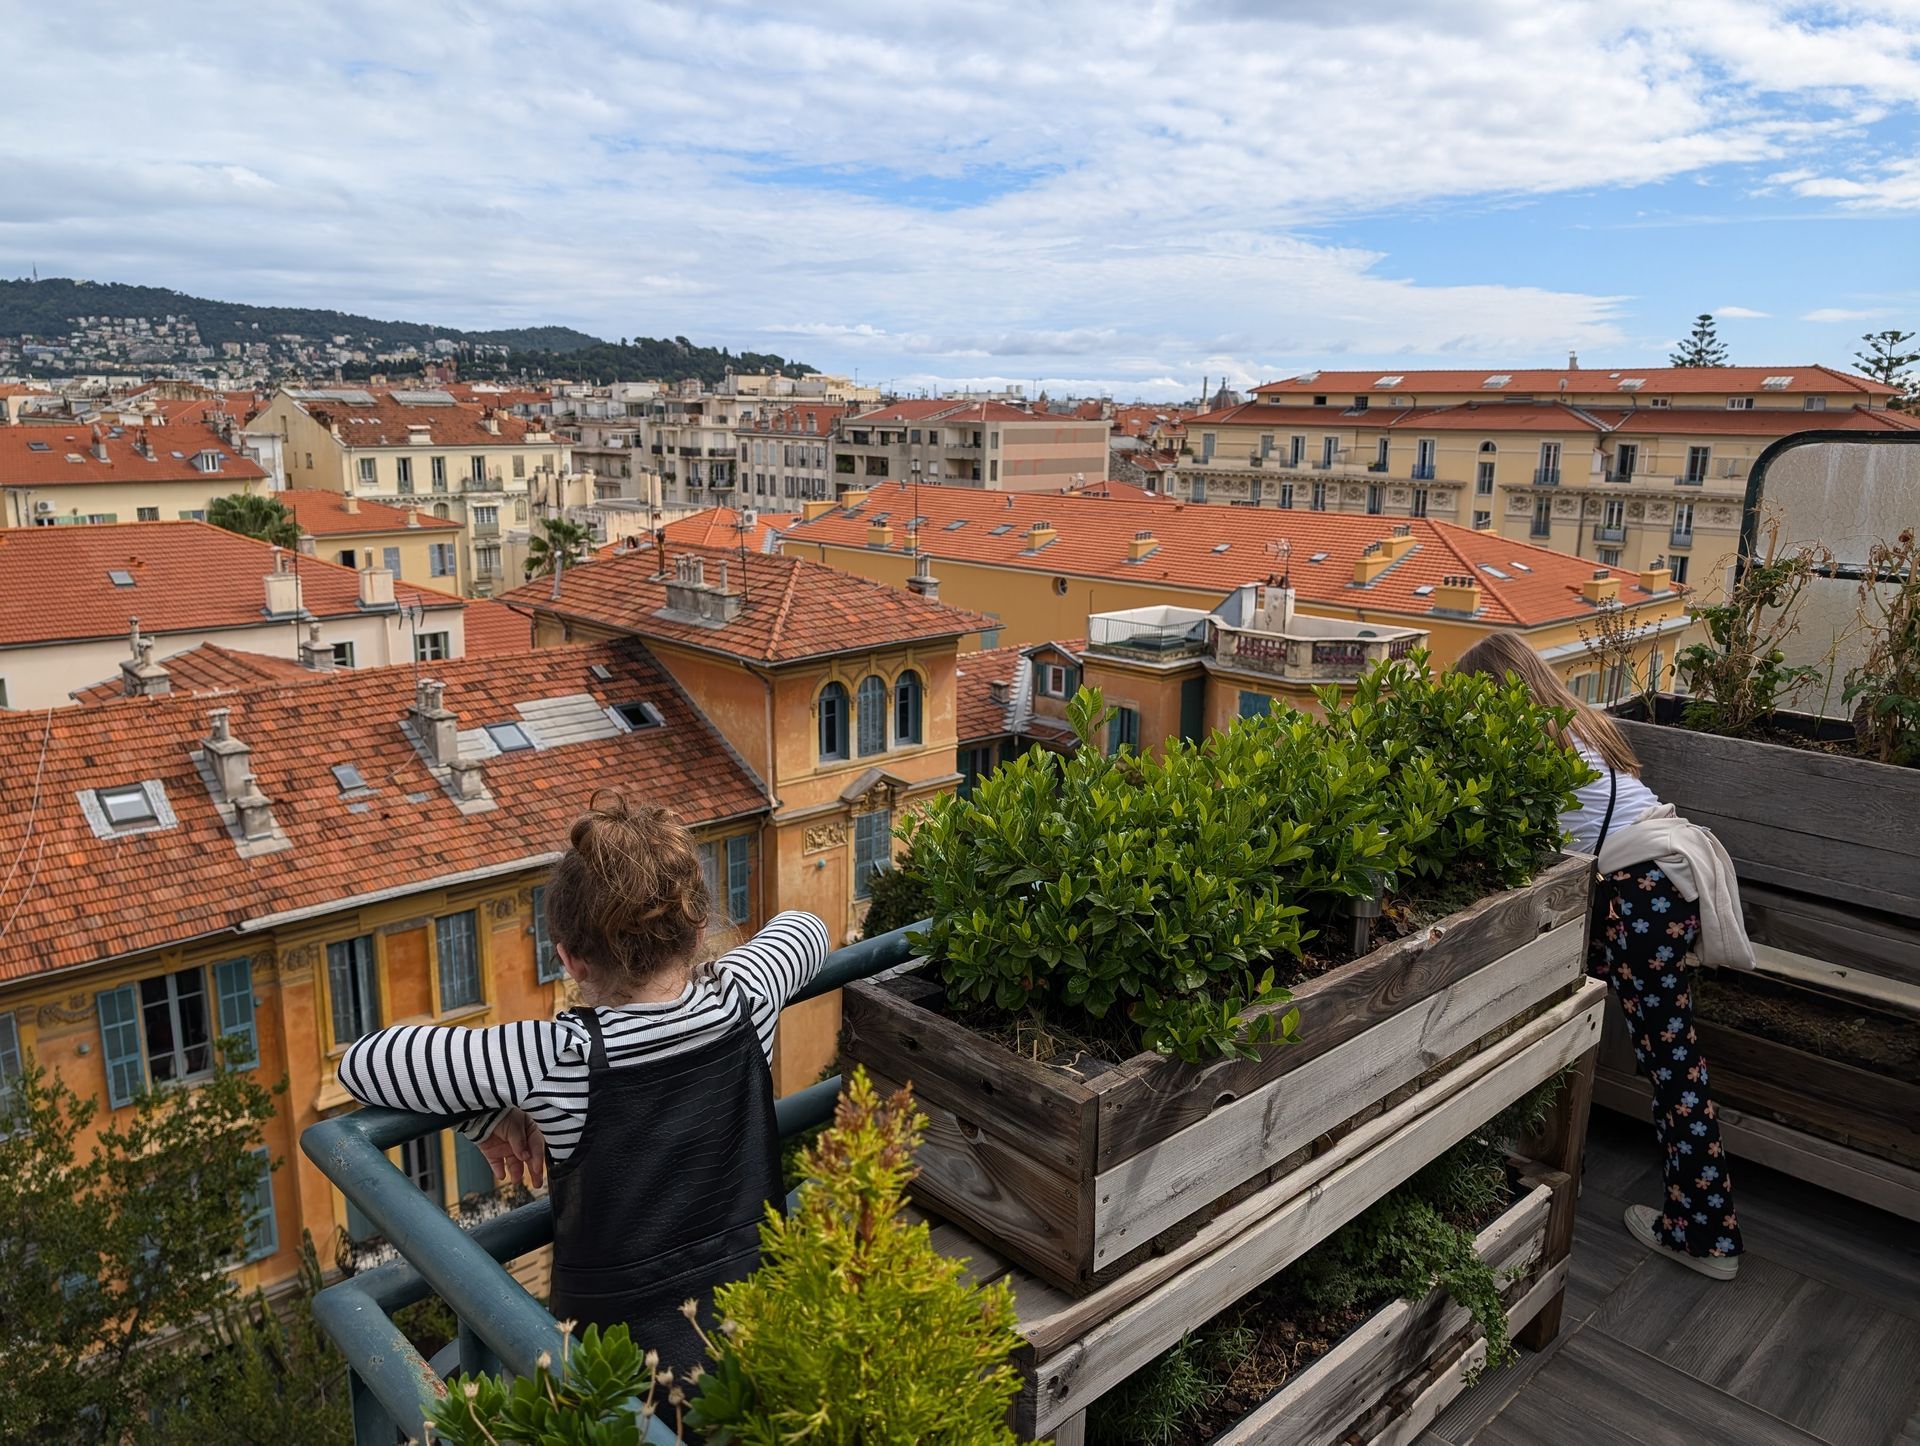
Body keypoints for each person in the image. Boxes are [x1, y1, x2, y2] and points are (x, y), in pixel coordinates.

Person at [338, 791, 831, 1371]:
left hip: (622, 1385)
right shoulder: (745, 998)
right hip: (758, 1348)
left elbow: (366, 1062)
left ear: (569, 960)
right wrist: (714, 975)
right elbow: (807, 928)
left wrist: (489, 1113)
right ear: (697, 934)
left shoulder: (557, 1059)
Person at [1455, 632, 1749, 1281]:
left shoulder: (1531, 748)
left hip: (1633, 903)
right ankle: (1557, 1158)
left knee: (1667, 1066)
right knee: (1652, 1051)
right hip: (1662, 891)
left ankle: (1703, 1234)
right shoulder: (1582, 725)